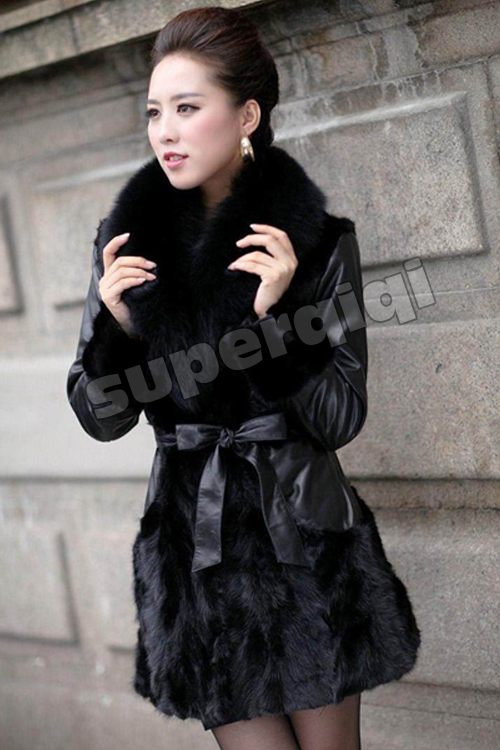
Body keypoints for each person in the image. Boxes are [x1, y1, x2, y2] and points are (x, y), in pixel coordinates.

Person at [66, 7, 421, 749]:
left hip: (307, 540)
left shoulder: (316, 243)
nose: (165, 131)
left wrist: (274, 320)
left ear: (247, 116)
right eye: (154, 112)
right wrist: (117, 329)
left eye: (187, 108)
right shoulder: (123, 246)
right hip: (195, 551)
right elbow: (101, 417)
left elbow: (340, 417)